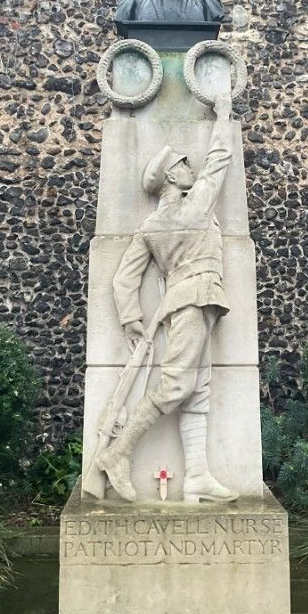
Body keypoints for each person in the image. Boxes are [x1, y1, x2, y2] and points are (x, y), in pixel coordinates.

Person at [95, 91, 238, 504]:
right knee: (177, 385)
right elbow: (219, 158)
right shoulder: (195, 208)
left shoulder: (150, 227)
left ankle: (197, 476)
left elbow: (124, 278)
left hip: (190, 302)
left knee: (198, 388)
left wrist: (131, 318)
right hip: (195, 299)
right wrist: (223, 116)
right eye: (182, 164)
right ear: (171, 178)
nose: (190, 167)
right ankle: (117, 453)